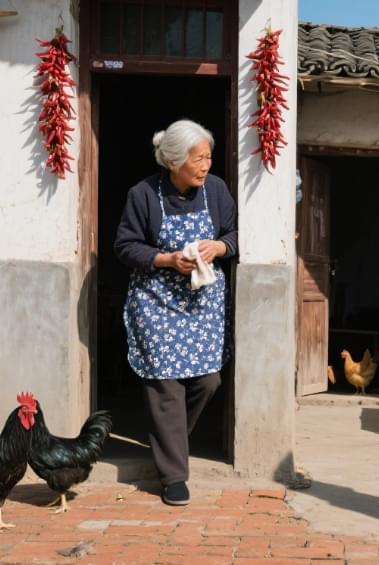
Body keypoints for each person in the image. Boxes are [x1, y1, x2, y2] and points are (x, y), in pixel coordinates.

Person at [114, 119, 237, 506]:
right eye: (198, 159)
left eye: (208, 157)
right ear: (174, 162)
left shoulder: (216, 191)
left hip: (202, 305)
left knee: (209, 381)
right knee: (166, 386)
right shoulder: (143, 195)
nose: (206, 166)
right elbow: (125, 245)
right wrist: (167, 259)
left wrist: (219, 248)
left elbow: (235, 234)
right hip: (157, 303)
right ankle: (173, 477)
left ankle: (169, 441)